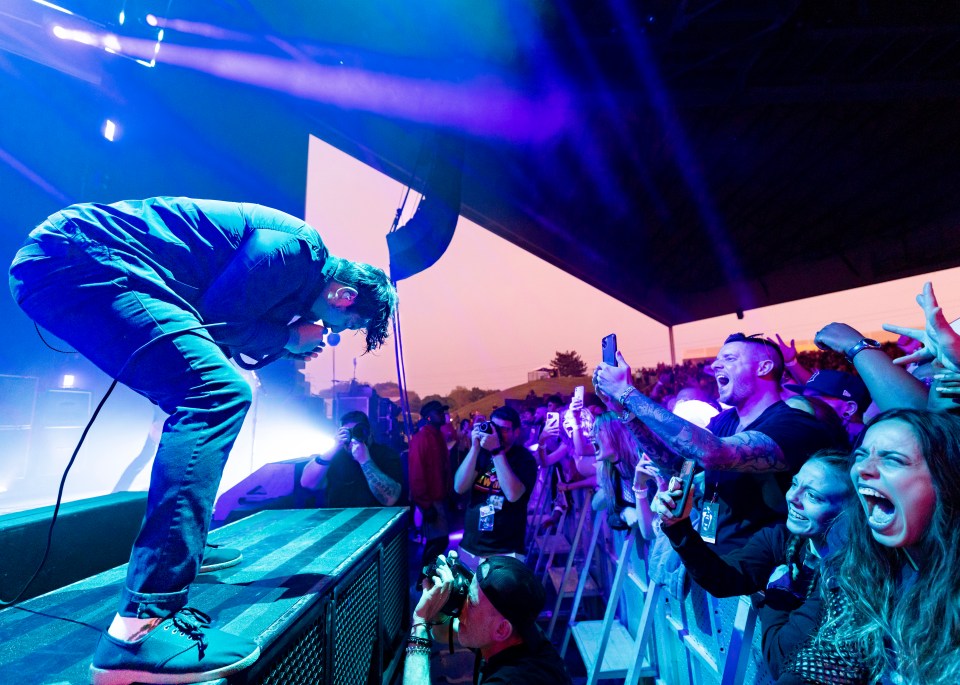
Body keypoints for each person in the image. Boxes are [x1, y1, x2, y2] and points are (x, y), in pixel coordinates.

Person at [8, 197, 398, 684]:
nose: (338, 333)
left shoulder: (296, 279)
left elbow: (220, 322)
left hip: (81, 261)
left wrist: (280, 333)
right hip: (80, 257)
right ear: (342, 296)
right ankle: (141, 626)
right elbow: (220, 315)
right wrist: (288, 341)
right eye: (353, 323)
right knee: (217, 392)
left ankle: (179, 546)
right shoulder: (300, 251)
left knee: (207, 391)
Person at [594, 333, 842, 554]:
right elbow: (678, 465)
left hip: (764, 578)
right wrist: (624, 412)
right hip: (719, 567)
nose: (715, 365)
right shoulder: (725, 421)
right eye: (717, 359)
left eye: (730, 359)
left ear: (764, 367)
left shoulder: (794, 424)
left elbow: (715, 453)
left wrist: (628, 392)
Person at [782, 409, 960, 684]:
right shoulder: (857, 563)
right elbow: (832, 658)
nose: (862, 469)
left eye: (893, 460)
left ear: (945, 482)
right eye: (862, 455)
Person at [653, 450, 854, 679]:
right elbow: (721, 579)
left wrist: (776, 592)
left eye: (813, 496)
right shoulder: (781, 539)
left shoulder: (847, 576)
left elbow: (781, 660)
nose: (793, 498)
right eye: (794, 483)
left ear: (850, 511)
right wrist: (678, 525)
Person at [404, 554, 573, 685]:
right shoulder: (519, 630)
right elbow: (442, 634)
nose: (462, 606)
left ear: (501, 630)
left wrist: (419, 624)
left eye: (471, 602)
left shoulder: (514, 679)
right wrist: (442, 602)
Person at [453, 407, 537, 569]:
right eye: (496, 428)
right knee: (469, 594)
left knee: (502, 595)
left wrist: (497, 451)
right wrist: (475, 448)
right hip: (471, 545)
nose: (499, 434)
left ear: (516, 432)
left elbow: (513, 494)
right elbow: (459, 487)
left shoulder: (524, 459)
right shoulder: (481, 453)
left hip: (505, 551)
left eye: (505, 430)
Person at [300, 410, 403, 507]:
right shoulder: (335, 456)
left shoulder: (386, 454)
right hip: (339, 517)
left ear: (369, 433)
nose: (354, 437)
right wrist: (334, 448)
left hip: (378, 518)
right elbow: (308, 484)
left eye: (359, 431)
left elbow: (390, 499)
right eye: (348, 432)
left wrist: (365, 460)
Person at [408, 400, 452, 565]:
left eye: (442, 411)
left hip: (439, 497)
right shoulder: (421, 439)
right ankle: (423, 580)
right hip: (430, 500)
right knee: (439, 540)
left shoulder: (438, 435)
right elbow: (416, 473)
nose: (442, 414)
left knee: (438, 540)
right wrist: (426, 505)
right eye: (438, 412)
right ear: (427, 417)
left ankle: (426, 579)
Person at [783, 369, 870, 446]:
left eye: (814, 398)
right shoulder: (827, 438)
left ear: (849, 408)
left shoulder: (870, 443)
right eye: (805, 398)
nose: (806, 404)